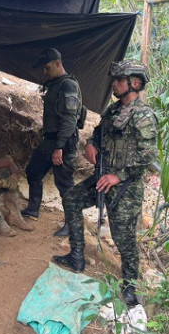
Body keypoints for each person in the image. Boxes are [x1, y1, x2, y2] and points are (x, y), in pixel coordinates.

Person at [53, 60, 158, 306]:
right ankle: (77, 255)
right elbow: (98, 133)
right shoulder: (113, 111)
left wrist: (118, 176)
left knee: (124, 238)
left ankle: (130, 284)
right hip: (103, 177)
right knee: (71, 199)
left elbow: (147, 156)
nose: (114, 84)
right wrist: (91, 144)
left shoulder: (143, 116)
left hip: (125, 188)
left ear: (135, 84)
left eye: (119, 80)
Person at [21, 48, 84, 237]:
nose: (45, 72)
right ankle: (33, 209)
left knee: (64, 183)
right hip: (50, 140)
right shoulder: (56, 84)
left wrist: (60, 147)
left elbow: (70, 119)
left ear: (58, 63)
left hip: (62, 142)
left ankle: (72, 225)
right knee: (33, 171)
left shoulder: (68, 85)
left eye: (47, 67)